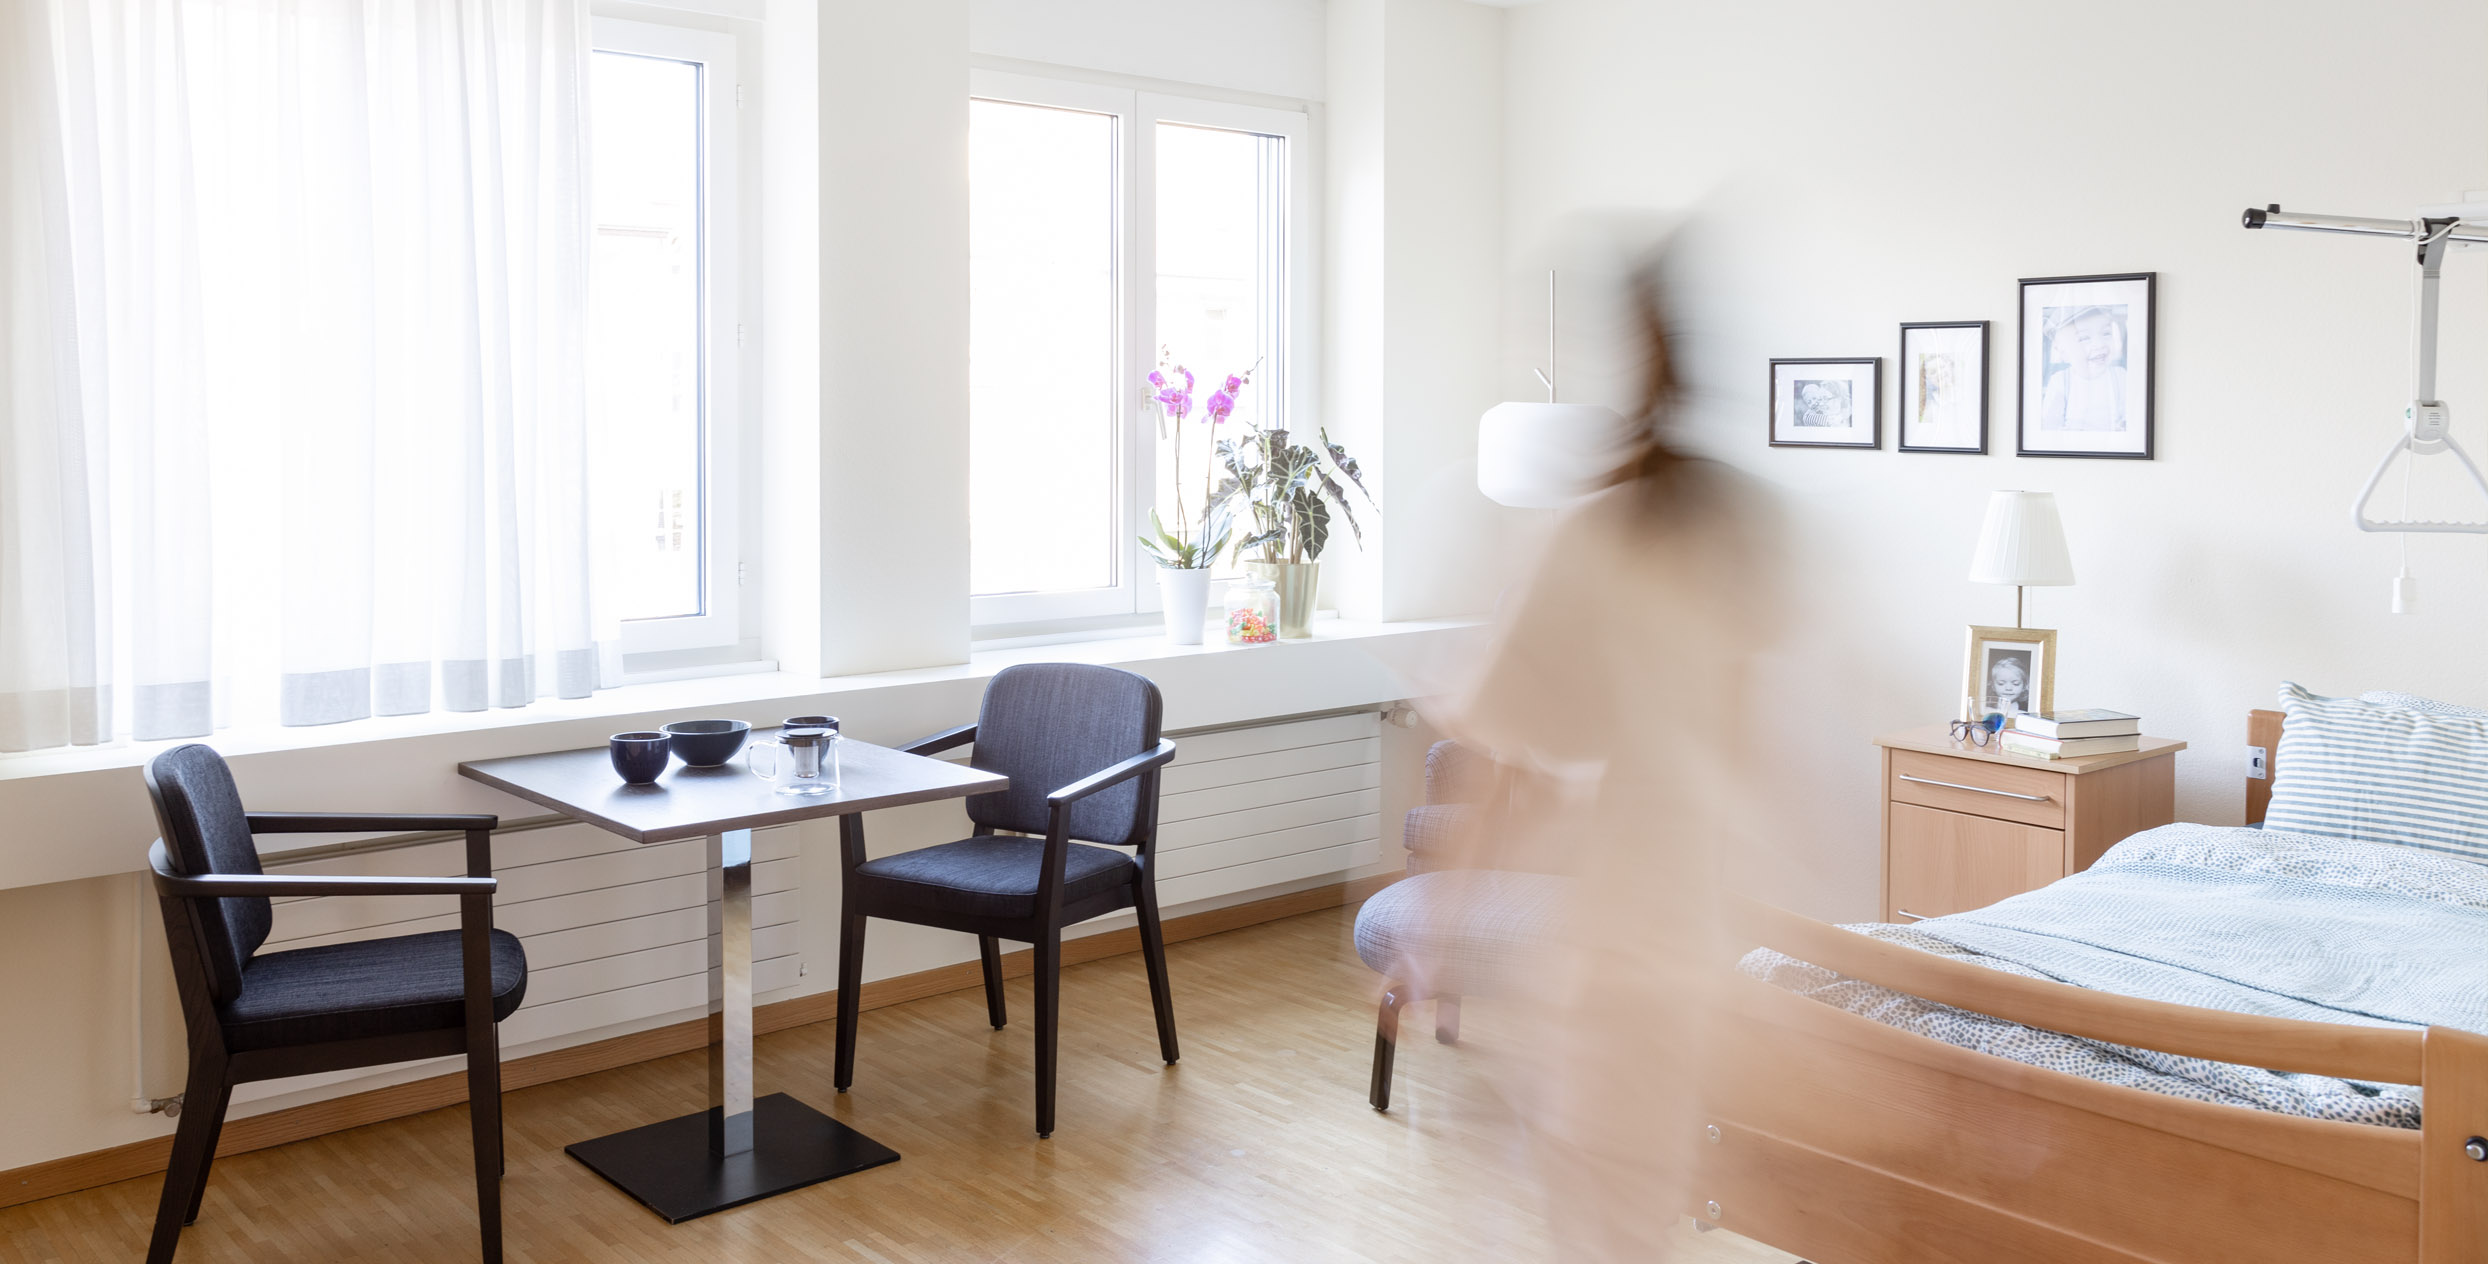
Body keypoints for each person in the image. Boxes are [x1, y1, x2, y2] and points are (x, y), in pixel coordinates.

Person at [1439, 244, 1787, 1262]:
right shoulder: (1734, 527)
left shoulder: (1592, 536)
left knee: (1601, 1206)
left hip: (1616, 923)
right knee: (1638, 1195)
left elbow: (1490, 755)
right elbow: (1753, 735)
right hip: (1703, 911)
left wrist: (1436, 928)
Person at [2039, 305, 2126, 432]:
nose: (2099, 344)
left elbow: (2132, 419)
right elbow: (2049, 426)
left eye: (2106, 333)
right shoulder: (2061, 382)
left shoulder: (2120, 376)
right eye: (2084, 338)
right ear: (2063, 352)